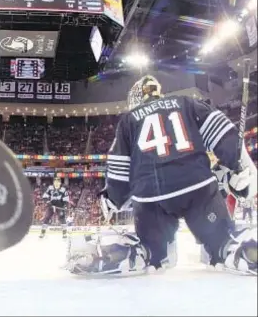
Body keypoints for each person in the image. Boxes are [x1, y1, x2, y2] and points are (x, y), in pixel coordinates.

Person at [66, 75, 257, 276]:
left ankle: (139, 253)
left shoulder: (129, 120)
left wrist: (113, 198)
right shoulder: (186, 102)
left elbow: (119, 166)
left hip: (152, 197)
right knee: (222, 241)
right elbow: (221, 129)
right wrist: (237, 165)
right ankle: (234, 250)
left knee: (151, 248)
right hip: (197, 186)